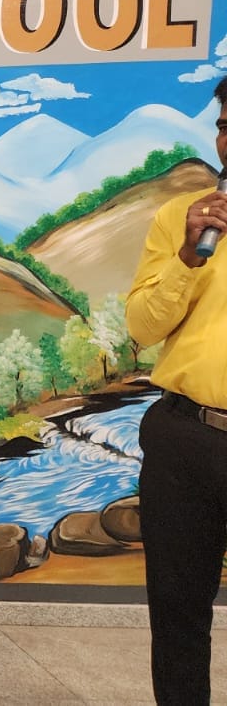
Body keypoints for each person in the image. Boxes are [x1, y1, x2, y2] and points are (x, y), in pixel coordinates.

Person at [126, 75, 227, 705]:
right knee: (179, 612)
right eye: (225, 126)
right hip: (186, 436)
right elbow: (142, 326)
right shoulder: (181, 219)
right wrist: (189, 257)